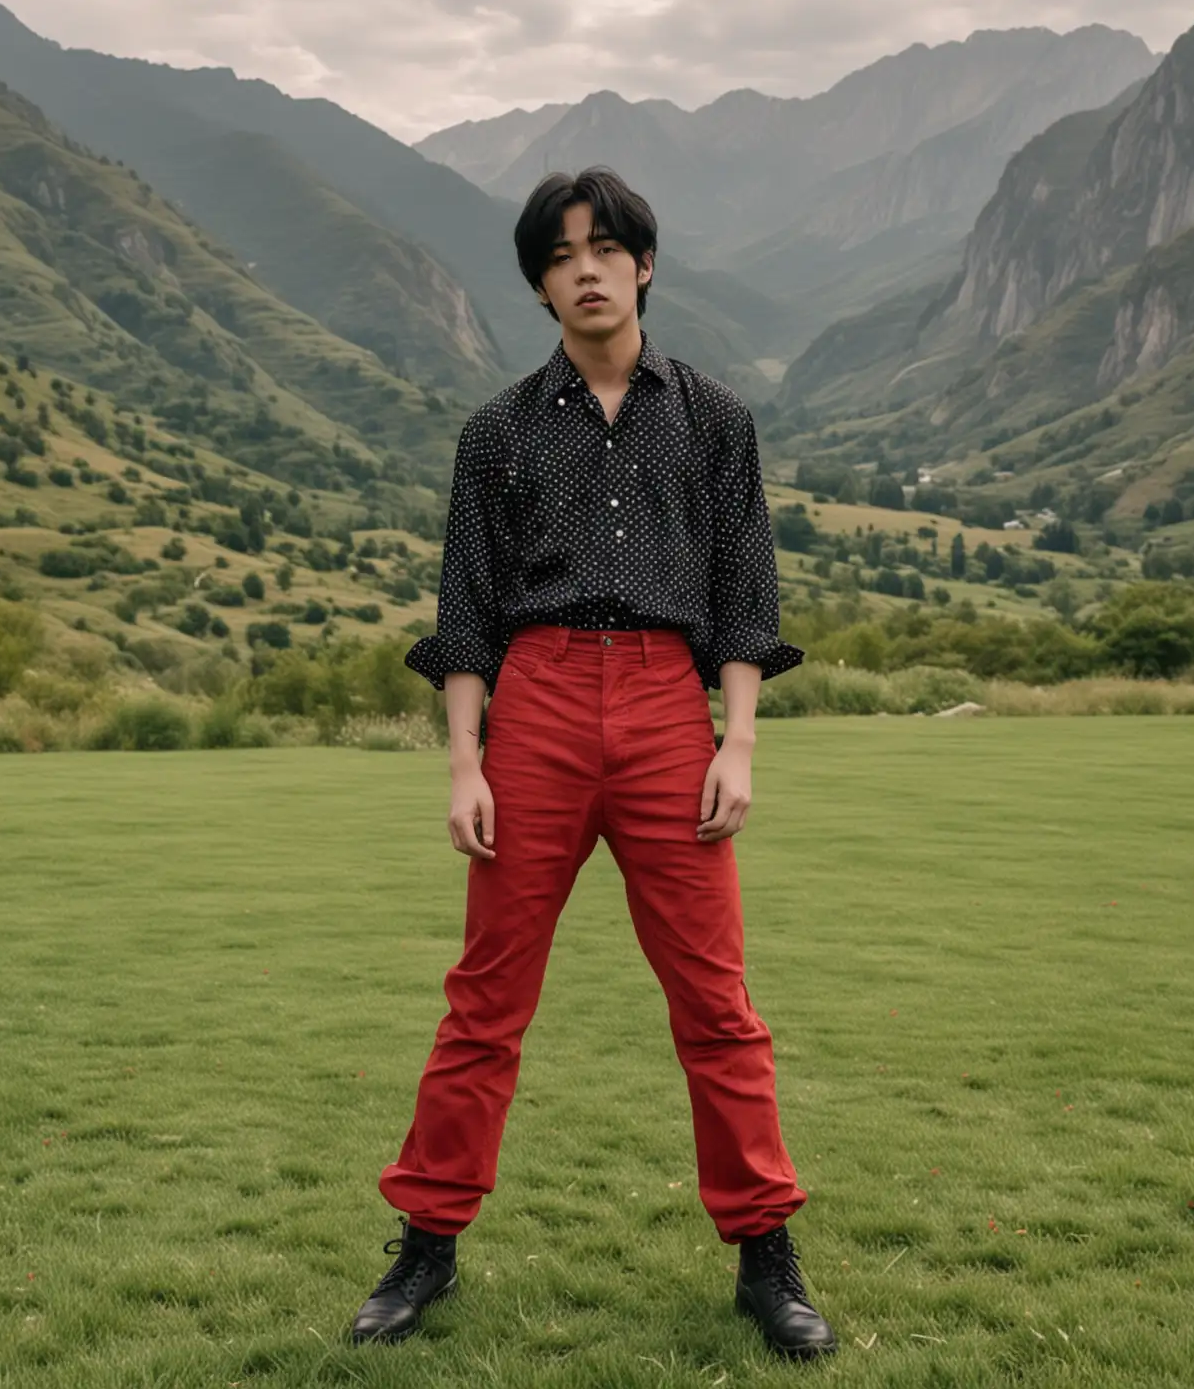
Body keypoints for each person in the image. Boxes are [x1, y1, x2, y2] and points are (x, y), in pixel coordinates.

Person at [347, 165, 835, 1361]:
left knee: (715, 1000)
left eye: (605, 247)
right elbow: (465, 610)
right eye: (559, 255)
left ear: (644, 263)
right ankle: (428, 1245)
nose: (585, 269)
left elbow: (743, 594)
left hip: (672, 709)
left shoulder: (715, 418)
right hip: (542, 706)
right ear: (540, 284)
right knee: (487, 997)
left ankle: (766, 1256)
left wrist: (738, 742)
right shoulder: (497, 432)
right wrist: (465, 764)